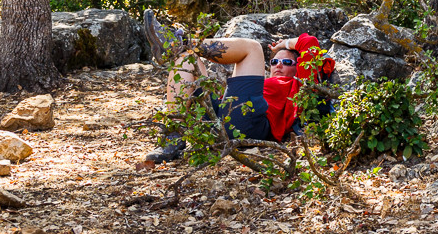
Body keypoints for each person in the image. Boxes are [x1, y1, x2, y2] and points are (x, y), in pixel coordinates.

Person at [141, 10, 332, 163]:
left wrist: (286, 44)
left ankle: (177, 43)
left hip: (252, 125)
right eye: (274, 62)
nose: (279, 65)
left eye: (287, 63)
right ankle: (173, 135)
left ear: (298, 68)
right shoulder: (263, 85)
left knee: (253, 48)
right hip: (222, 123)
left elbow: (311, 44)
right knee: (187, 58)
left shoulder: (299, 85)